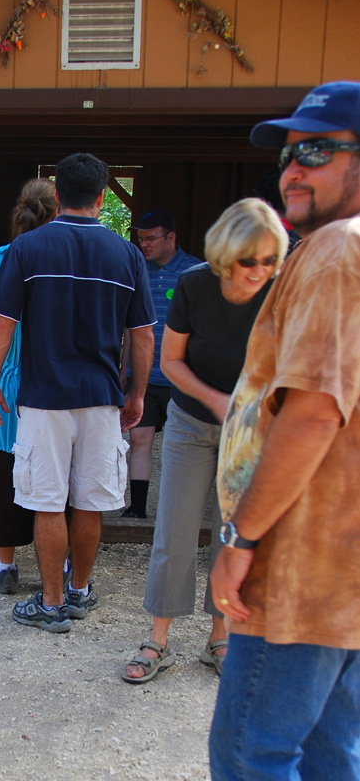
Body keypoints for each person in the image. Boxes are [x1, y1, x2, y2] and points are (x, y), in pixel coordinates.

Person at [157, 80, 360, 781]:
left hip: (302, 557)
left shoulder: (329, 254)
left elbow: (313, 410)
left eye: (317, 150)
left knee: (247, 752)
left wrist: (238, 541)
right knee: (326, 739)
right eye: (288, 151)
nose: (293, 167)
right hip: (347, 565)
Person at [0, 153, 155, 633]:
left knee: (48, 501)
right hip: (101, 396)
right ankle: (79, 591)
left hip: (44, 397)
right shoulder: (127, 255)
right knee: (89, 500)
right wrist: (136, 393)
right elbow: (141, 334)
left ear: (57, 195)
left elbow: (1, 324)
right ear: (102, 198)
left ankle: (51, 602)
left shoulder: (28, 249)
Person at [122, 199, 287, 684]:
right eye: (247, 259)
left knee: (232, 531)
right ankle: (158, 639)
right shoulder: (194, 284)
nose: (257, 270)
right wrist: (216, 400)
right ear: (222, 255)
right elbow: (170, 361)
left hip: (254, 428)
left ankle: (221, 638)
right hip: (194, 421)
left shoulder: (282, 291)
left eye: (268, 259)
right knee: (173, 529)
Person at [0, 179, 57, 593]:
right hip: (51, 377)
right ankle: (59, 569)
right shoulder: (64, 255)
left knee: (4, 469)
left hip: (6, 377)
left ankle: (5, 565)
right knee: (56, 470)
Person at [122, 209, 202, 518]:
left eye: (150, 238)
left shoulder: (195, 270)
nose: (144, 245)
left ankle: (176, 511)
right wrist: (124, 369)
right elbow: (132, 327)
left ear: (171, 237)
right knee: (140, 437)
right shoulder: (137, 270)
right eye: (140, 239)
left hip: (182, 376)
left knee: (181, 444)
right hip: (144, 375)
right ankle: (138, 508)